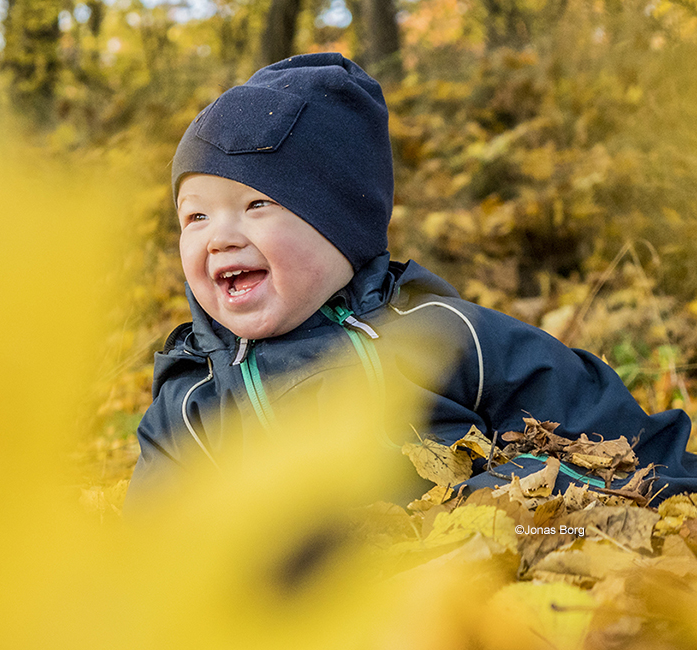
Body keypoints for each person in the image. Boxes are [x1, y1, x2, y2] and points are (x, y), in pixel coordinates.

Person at [124, 52, 697, 512]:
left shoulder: (437, 333)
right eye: (195, 216)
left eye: (256, 205)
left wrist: (664, 484)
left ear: (339, 227)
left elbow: (599, 427)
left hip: (464, 568)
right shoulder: (193, 395)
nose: (218, 237)